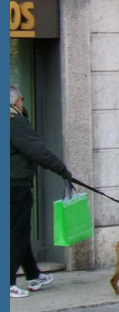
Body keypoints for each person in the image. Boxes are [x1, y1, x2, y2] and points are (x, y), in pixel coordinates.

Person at [10, 85, 74, 298]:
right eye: (21, 99)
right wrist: (62, 170)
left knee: (18, 232)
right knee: (16, 234)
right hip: (15, 186)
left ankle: (33, 274)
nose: (23, 103)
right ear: (14, 102)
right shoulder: (14, 122)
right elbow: (38, 151)